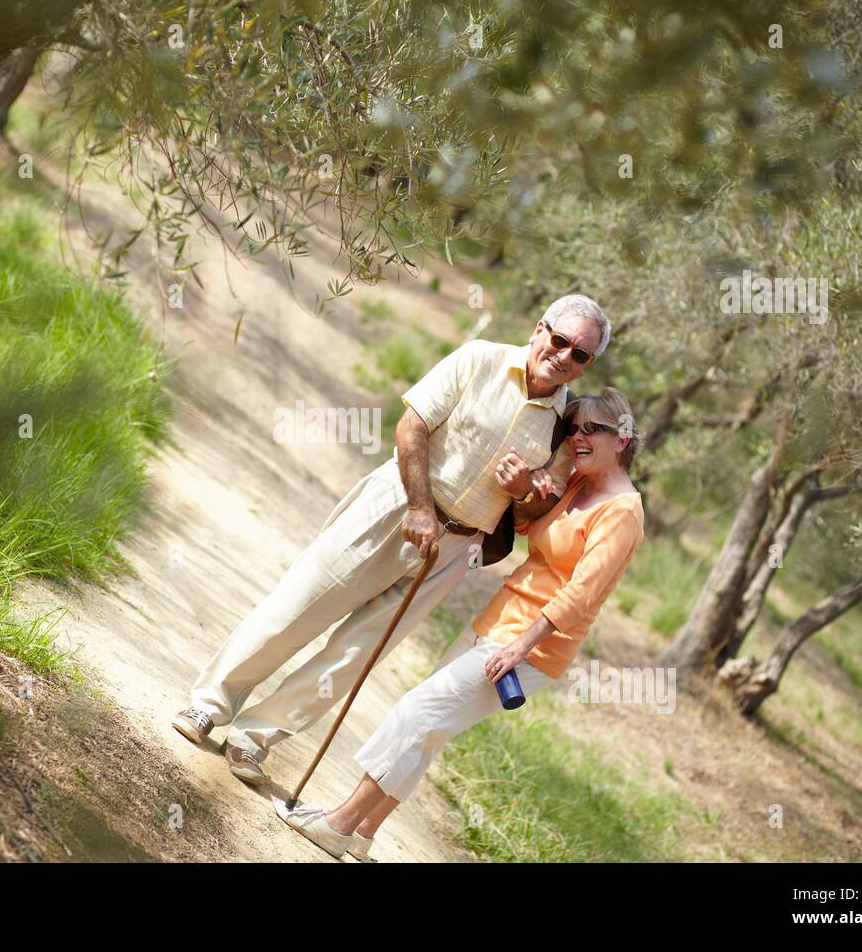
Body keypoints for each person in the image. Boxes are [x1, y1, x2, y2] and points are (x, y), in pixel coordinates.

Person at [170, 296, 613, 800]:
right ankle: (209, 705)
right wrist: (420, 508)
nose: (564, 357)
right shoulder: (480, 359)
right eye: (560, 341)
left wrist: (521, 494)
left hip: (453, 551)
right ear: (540, 329)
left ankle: (255, 738)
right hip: (396, 508)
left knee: (354, 655)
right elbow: (414, 425)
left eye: (581, 355)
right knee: (296, 609)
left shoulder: (565, 425)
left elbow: (532, 514)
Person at [280, 387, 645, 861]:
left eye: (591, 429)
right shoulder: (579, 485)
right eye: (573, 429)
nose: (578, 437)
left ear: (621, 439)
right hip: (496, 621)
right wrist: (522, 492)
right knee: (432, 728)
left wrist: (519, 648)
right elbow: (532, 531)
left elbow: (581, 594)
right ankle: (365, 833)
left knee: (418, 712)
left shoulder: (622, 511)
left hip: (529, 647)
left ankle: (337, 825)